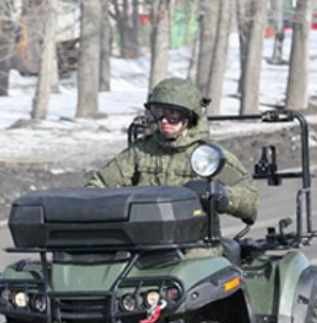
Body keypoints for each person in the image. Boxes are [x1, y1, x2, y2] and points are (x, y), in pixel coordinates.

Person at [87, 77, 259, 226]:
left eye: (173, 116)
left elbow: (250, 199)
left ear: (190, 117)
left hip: (195, 249)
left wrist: (222, 196)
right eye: (158, 113)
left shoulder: (208, 156)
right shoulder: (140, 151)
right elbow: (97, 187)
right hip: (144, 244)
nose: (163, 121)